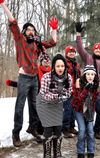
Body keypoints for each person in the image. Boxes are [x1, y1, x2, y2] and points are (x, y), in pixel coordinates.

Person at [0, 0, 57, 147]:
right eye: (28, 29)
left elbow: (53, 42)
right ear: (24, 31)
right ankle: (16, 133)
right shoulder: (20, 40)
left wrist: (54, 29)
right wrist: (3, 5)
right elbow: (13, 22)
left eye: (33, 29)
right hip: (24, 77)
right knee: (20, 106)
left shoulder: (37, 43)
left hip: (34, 79)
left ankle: (33, 128)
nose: (31, 31)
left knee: (34, 105)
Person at [36, 54, 72, 158]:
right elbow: (43, 93)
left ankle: (57, 153)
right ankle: (47, 154)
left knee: (58, 128)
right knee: (48, 129)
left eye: (62, 66)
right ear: (53, 67)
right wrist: (58, 96)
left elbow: (69, 92)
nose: (60, 68)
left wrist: (61, 97)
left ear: (65, 66)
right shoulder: (46, 77)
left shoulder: (68, 77)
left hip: (58, 104)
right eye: (58, 66)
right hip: (44, 104)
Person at [75, 22, 100, 139]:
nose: (98, 51)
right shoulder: (88, 58)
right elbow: (80, 48)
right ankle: (88, 130)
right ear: (94, 50)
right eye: (96, 49)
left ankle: (96, 129)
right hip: (88, 90)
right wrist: (78, 34)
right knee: (88, 111)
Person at [72, 65, 99, 158]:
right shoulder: (79, 83)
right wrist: (86, 89)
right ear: (84, 75)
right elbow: (78, 101)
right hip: (79, 110)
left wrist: (93, 89)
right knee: (82, 130)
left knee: (91, 131)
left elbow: (94, 100)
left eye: (92, 74)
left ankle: (91, 152)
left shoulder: (95, 85)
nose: (90, 76)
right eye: (88, 74)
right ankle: (80, 152)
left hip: (90, 111)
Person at [62, 45, 81, 138]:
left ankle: (71, 126)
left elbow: (79, 76)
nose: (72, 53)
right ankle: (65, 129)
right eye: (70, 52)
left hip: (75, 89)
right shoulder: (64, 63)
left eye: (73, 51)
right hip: (67, 89)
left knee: (73, 109)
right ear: (66, 53)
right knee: (67, 109)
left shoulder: (76, 64)